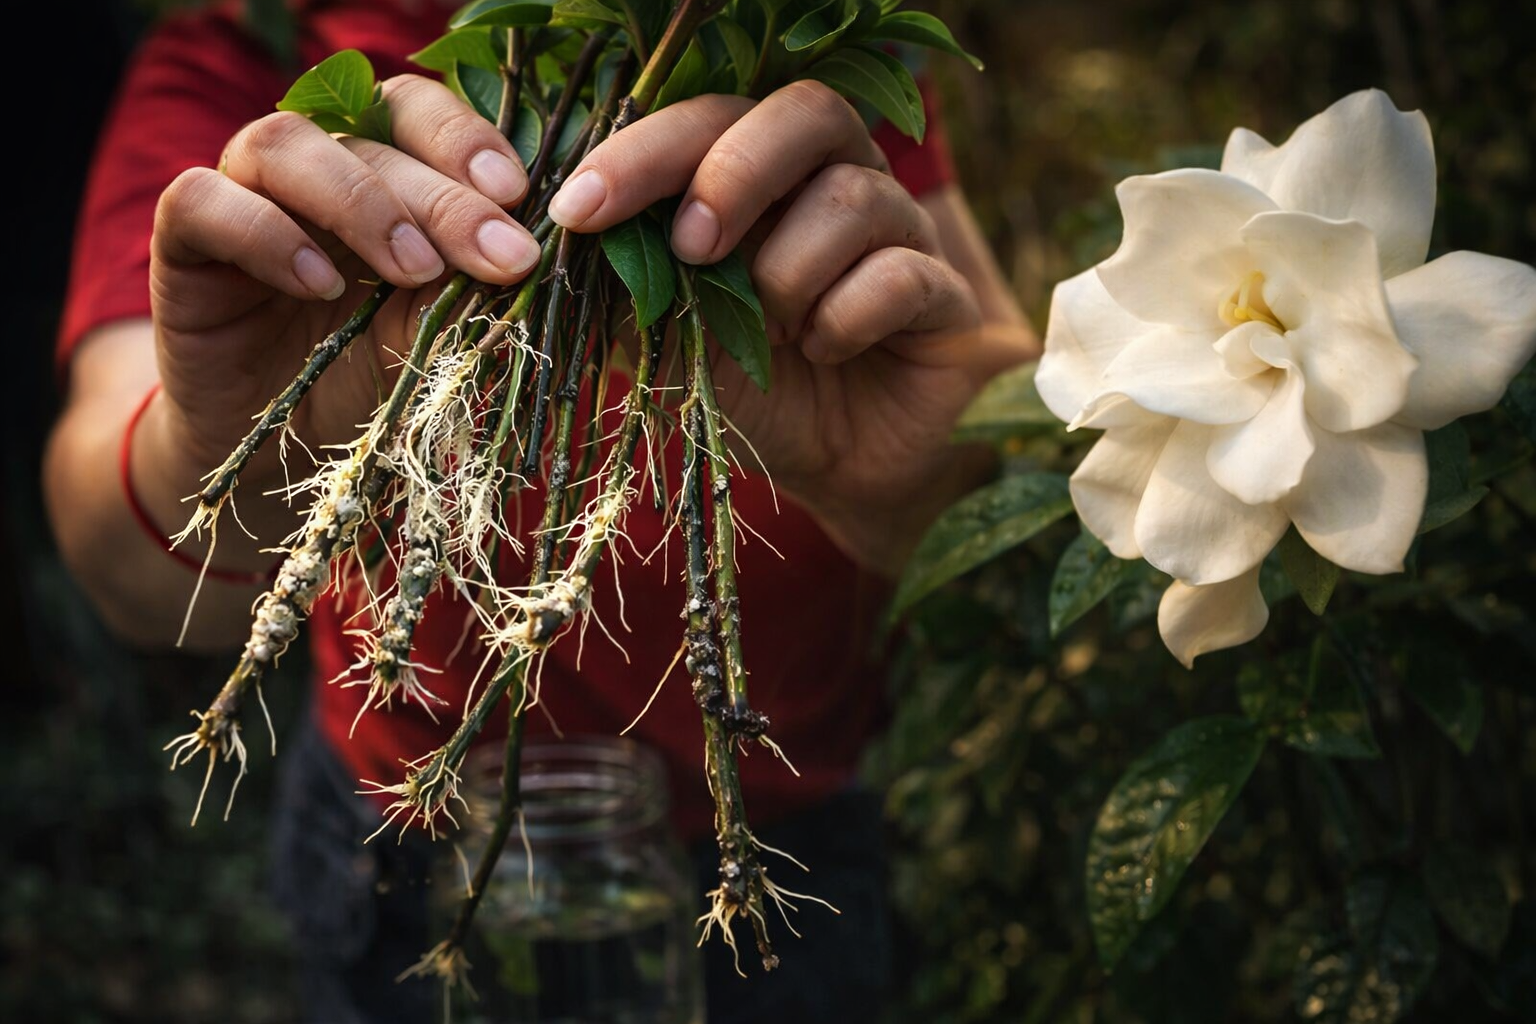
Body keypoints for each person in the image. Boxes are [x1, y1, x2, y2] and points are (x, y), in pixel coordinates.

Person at [44, 0, 1036, 1020]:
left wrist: (925, 477)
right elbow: (120, 559)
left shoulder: (811, 43)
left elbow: (1007, 419)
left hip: (793, 850)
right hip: (402, 850)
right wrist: (220, 449)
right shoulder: (246, 51)